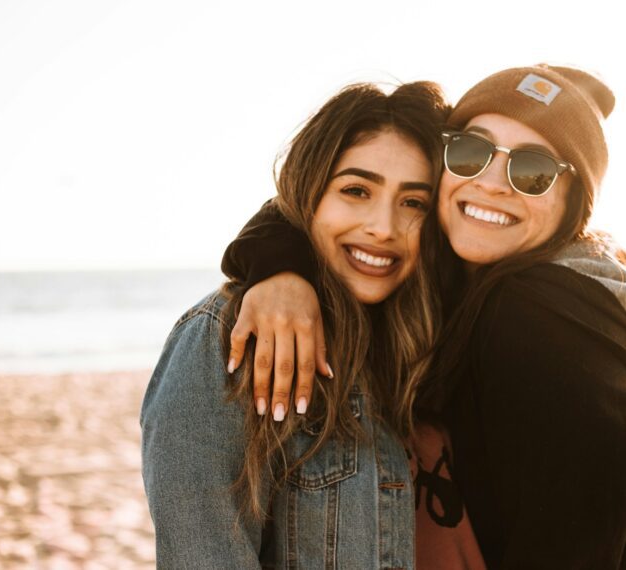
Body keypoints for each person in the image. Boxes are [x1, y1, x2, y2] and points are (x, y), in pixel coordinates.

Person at [219, 65, 626, 568]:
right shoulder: (461, 270)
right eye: (470, 152)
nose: (493, 184)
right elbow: (314, 195)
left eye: (532, 170)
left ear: (573, 204)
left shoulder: (548, 319)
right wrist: (282, 270)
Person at [140, 81, 485, 568]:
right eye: (356, 190)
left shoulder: (425, 336)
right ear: (309, 195)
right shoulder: (227, 340)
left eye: (414, 203)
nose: (383, 227)